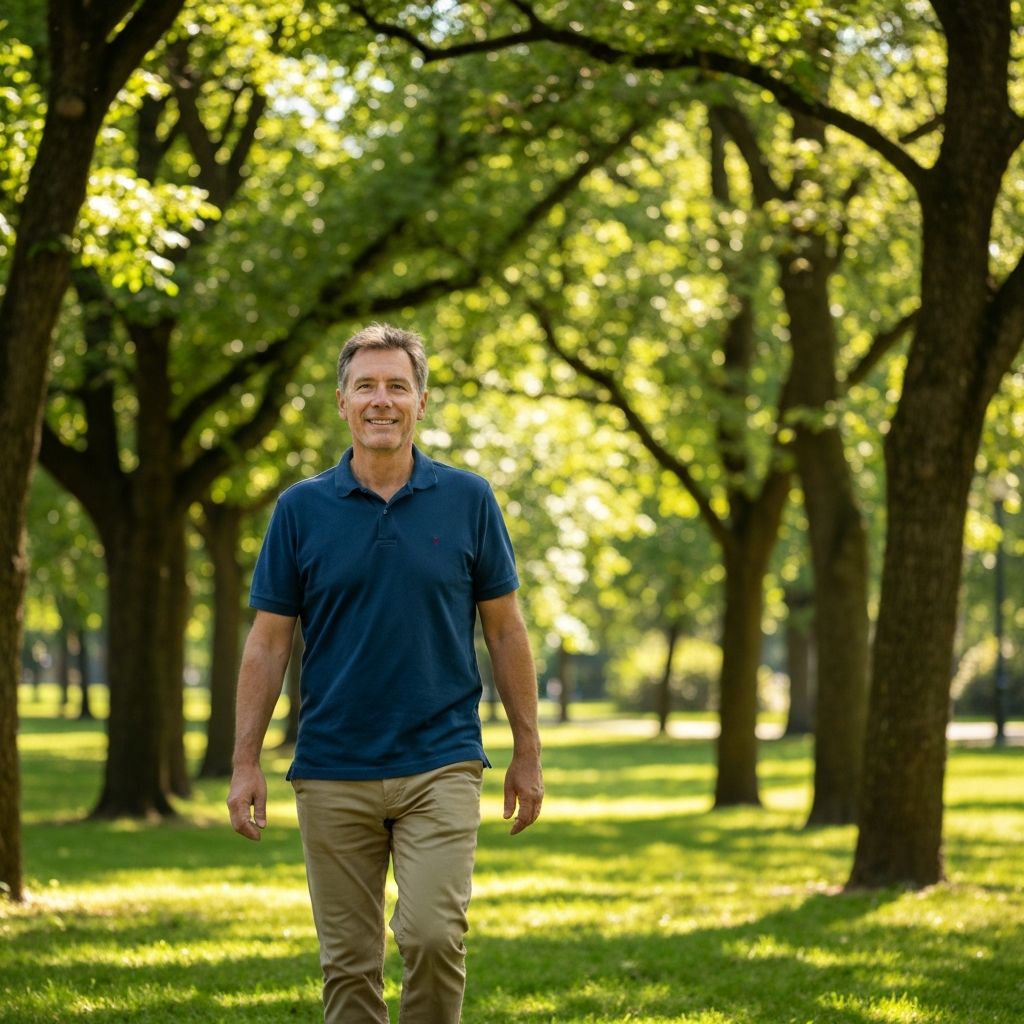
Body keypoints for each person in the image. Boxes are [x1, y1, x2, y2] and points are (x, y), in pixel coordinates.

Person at [227, 322, 544, 1024]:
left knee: (432, 936)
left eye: (397, 386)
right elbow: (268, 644)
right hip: (333, 765)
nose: (381, 400)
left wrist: (528, 750)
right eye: (365, 385)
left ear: (421, 402)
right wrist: (245, 761)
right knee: (349, 964)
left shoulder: (469, 499)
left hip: (442, 761)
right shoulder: (300, 510)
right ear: (341, 401)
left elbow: (505, 628)